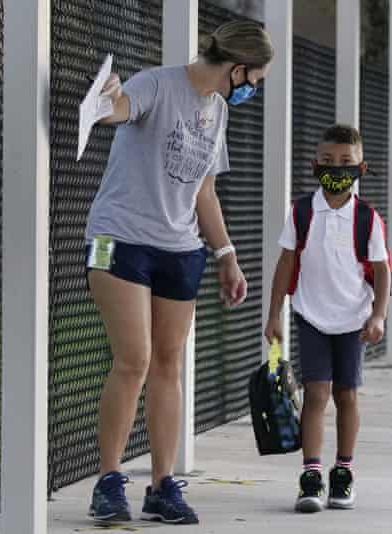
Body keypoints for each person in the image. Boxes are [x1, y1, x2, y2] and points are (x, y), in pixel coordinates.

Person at [84, 21, 273, 525]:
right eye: (255, 78)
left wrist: (226, 253)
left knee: (169, 364)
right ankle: (108, 481)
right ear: (237, 69)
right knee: (134, 359)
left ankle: (163, 485)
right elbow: (120, 111)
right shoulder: (158, 83)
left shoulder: (216, 112)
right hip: (119, 239)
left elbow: (204, 192)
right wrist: (108, 99)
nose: (255, 88)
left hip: (180, 248)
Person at [264, 124, 391, 513]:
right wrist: (274, 314)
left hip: (353, 319)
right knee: (316, 395)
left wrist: (378, 314)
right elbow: (286, 262)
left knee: (347, 395)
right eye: (328, 161)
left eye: (346, 162)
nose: (336, 168)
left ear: (361, 168)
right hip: (311, 315)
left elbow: (381, 268)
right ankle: (311, 474)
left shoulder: (366, 218)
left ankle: (344, 472)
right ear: (314, 164)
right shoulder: (302, 211)